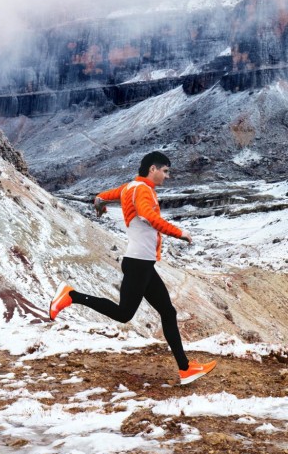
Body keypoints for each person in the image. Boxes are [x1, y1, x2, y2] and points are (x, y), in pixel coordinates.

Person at [49, 151, 217, 385]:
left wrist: (99, 203)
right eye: (165, 171)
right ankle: (71, 295)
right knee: (124, 314)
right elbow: (148, 216)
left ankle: (185, 369)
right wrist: (180, 233)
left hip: (143, 263)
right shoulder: (143, 190)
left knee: (168, 312)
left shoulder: (130, 187)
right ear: (152, 169)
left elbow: (103, 196)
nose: (167, 176)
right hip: (139, 263)